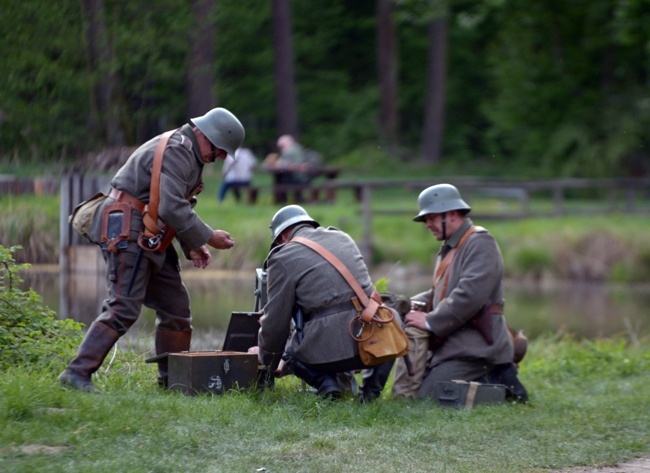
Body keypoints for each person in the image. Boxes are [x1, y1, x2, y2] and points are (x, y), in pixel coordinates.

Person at [58, 107, 245, 392]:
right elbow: (171, 205)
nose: (220, 156)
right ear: (203, 135)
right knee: (123, 306)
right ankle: (76, 374)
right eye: (220, 149)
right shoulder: (178, 149)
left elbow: (172, 206)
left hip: (150, 233)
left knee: (176, 309)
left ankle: (173, 383)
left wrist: (192, 245)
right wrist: (208, 237)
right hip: (130, 229)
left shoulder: (190, 154)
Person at [391, 183, 527, 402]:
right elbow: (439, 293)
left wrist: (428, 321)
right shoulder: (452, 246)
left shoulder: (480, 242)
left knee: (431, 397)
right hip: (456, 341)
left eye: (432, 218)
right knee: (417, 392)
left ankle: (501, 384)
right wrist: (405, 305)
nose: (428, 224)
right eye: (426, 219)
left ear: (452, 214)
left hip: (478, 346)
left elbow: (469, 295)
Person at [247, 205, 390, 401]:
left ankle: (327, 384)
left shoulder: (283, 257)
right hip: (372, 339)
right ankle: (370, 394)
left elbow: (275, 325)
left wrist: (267, 359)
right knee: (385, 318)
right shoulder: (343, 238)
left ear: (281, 237)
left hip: (330, 350)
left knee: (290, 351)